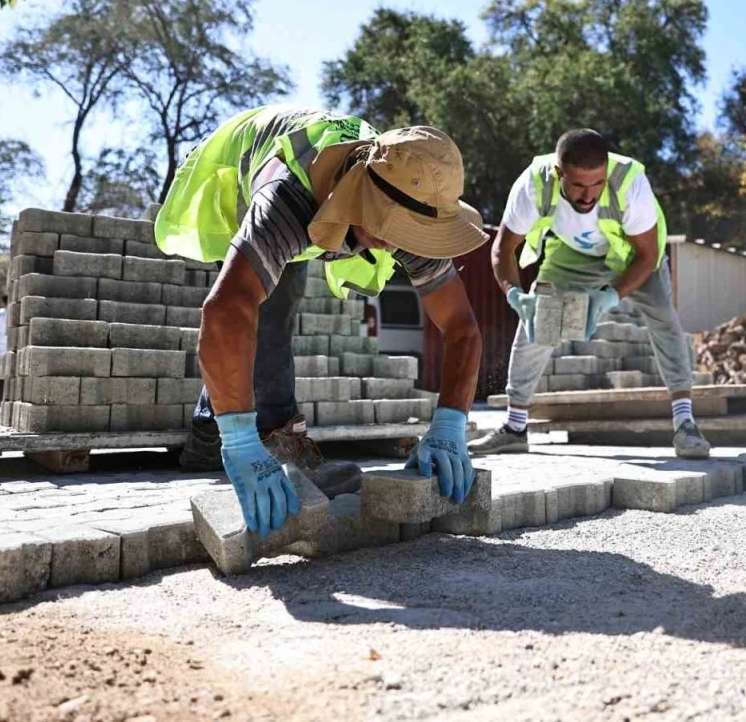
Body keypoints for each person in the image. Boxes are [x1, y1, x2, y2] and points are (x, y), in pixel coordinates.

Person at [155, 105, 488, 535]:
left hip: (326, 177)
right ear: (361, 195)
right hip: (244, 160)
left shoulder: (415, 195)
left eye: (408, 233)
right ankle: (265, 435)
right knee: (273, 300)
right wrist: (240, 442)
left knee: (280, 293)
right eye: (388, 227)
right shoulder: (285, 201)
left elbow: (461, 328)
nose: (395, 244)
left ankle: (207, 432)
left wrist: (449, 425)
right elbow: (224, 311)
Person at [469, 128, 711, 459]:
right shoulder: (533, 184)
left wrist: (610, 296)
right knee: (538, 325)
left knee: (664, 319)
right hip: (572, 256)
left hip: (630, 255)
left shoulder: (630, 182)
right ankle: (515, 427)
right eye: (578, 185)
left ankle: (685, 425)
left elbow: (648, 256)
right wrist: (514, 295)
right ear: (559, 173)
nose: (588, 195)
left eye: (597, 184)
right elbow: (503, 248)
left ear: (606, 172)